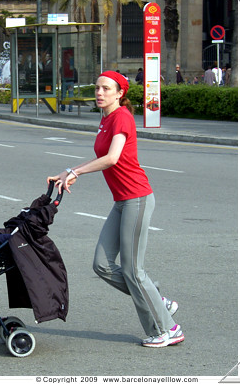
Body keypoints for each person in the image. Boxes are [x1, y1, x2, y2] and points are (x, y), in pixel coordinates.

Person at [47, 71, 184, 348]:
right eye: (97, 87)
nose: (100, 92)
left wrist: (75, 170)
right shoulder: (106, 119)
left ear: (120, 93)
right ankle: (156, 298)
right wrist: (72, 174)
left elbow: (111, 158)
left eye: (106, 88)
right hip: (122, 201)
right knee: (102, 264)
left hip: (137, 198)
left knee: (133, 270)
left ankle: (166, 329)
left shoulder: (121, 117)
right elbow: (104, 158)